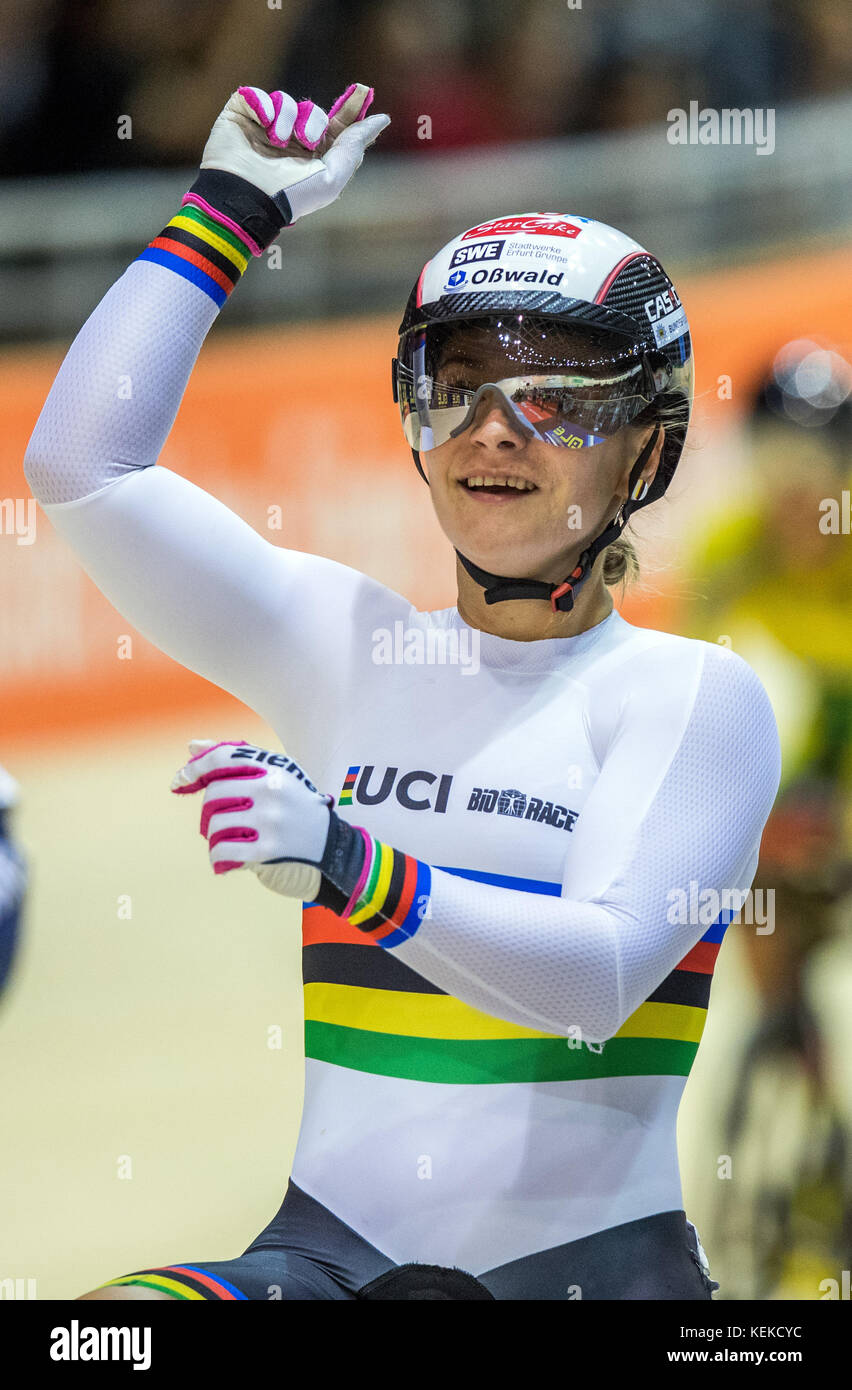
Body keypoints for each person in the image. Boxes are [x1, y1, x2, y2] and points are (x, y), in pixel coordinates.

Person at [24, 82, 781, 1301]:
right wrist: (229, 211)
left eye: (556, 397)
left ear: (649, 442)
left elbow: (596, 977)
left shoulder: (693, 697)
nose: (495, 430)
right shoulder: (347, 648)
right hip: (323, 1262)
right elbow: (79, 466)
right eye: (457, 384)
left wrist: (348, 860)